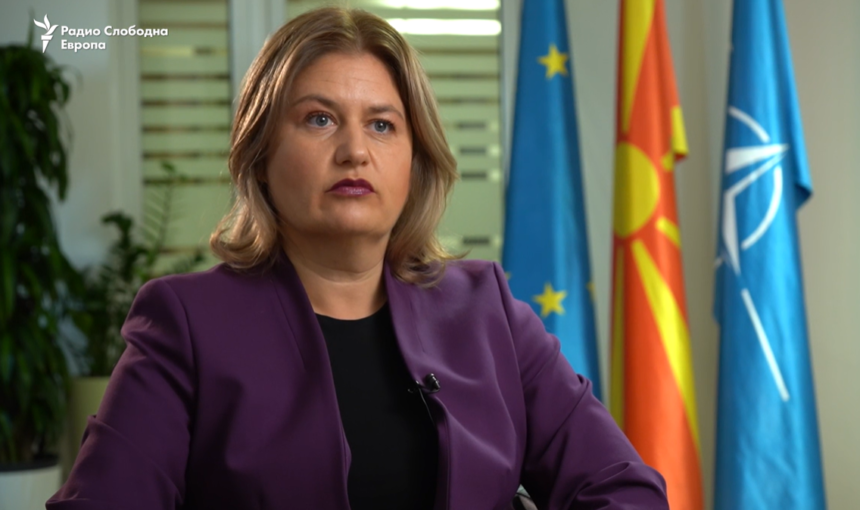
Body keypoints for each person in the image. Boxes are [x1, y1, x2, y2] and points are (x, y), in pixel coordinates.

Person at [48, 7, 668, 510]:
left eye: (382, 125)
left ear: (414, 160)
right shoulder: (187, 324)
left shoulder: (489, 312)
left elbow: (625, 491)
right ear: (260, 157)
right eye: (319, 119)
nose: (354, 151)